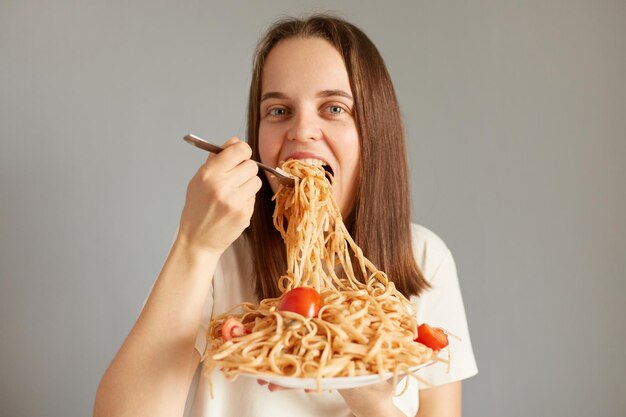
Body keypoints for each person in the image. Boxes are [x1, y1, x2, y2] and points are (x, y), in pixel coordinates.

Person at [94, 14, 477, 417]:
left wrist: (373, 401)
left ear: (373, 132)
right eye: (278, 110)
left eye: (333, 108)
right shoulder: (220, 257)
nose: (301, 130)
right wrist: (195, 245)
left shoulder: (425, 257)